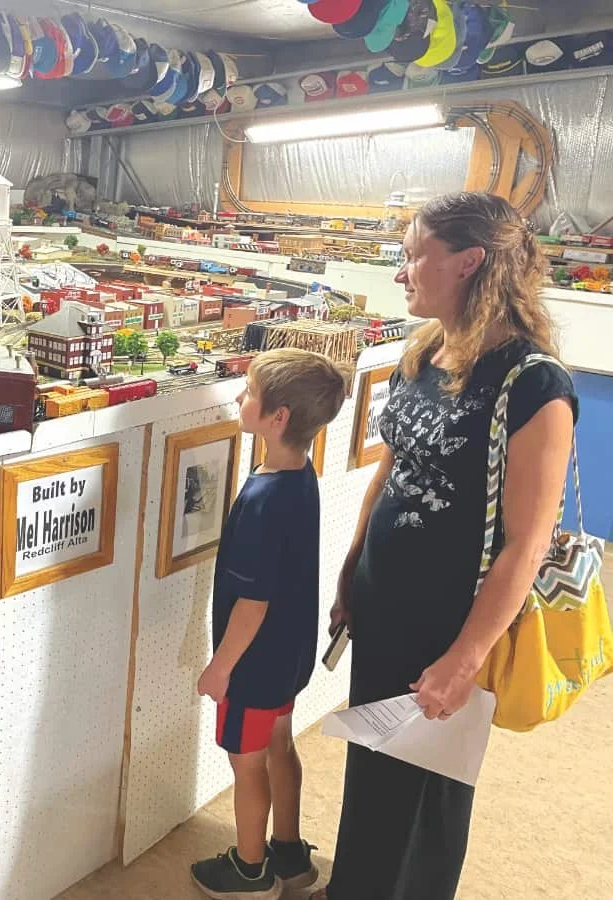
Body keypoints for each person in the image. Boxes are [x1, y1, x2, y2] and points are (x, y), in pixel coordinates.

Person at [312, 192, 578, 900]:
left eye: (412, 254)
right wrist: (349, 572)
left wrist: (465, 659)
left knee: (424, 798)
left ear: (468, 262)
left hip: (450, 623)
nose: (401, 271)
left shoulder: (535, 385)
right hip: (383, 604)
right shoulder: (426, 349)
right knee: (374, 774)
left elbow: (524, 545)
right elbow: (390, 468)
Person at [192, 348, 350, 899]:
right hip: (289, 656)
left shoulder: (262, 499)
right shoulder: (301, 474)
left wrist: (219, 668)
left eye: (250, 393)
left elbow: (250, 605)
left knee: (247, 764)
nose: (239, 398)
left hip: (253, 665)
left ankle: (250, 869)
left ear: (277, 417)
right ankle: (290, 853)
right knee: (281, 745)